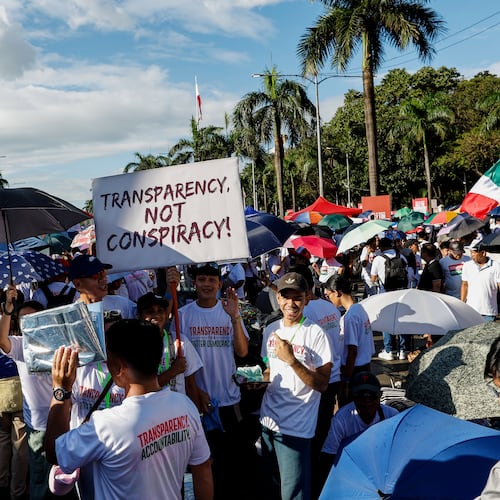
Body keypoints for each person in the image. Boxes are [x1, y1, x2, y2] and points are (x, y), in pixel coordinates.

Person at [44, 319, 213, 500]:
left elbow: (55, 452)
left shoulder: (106, 425)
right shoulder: (185, 406)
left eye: (108, 358)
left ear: (119, 367)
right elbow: (202, 469)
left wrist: (61, 391)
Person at [175, 262, 250, 499]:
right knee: (202, 466)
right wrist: (195, 392)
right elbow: (180, 362)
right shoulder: (182, 316)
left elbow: (242, 352)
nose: (206, 284)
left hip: (228, 402)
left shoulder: (229, 310)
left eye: (211, 280)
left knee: (230, 465)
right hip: (196, 405)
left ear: (219, 284)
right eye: (201, 279)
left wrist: (235, 317)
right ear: (194, 283)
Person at [260, 272, 332, 500]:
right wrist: (257, 382)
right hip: (268, 422)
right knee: (272, 486)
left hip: (297, 426)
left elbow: (322, 384)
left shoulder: (316, 333)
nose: (291, 303)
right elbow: (268, 370)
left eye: (297, 297)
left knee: (293, 494)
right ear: (278, 299)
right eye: (286, 297)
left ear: (307, 298)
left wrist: (292, 360)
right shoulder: (271, 330)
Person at [0, 290, 60, 500]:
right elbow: (2, 341)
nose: (28, 323)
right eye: (23, 319)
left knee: (61, 480)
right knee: (39, 479)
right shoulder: (18, 345)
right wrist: (7, 310)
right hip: (37, 427)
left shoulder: (57, 344)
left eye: (32, 318)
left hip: (63, 422)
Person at [319, 372, 398, 489]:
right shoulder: (341, 419)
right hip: (351, 471)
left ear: (380, 396)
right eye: (360, 396)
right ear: (353, 397)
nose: (367, 401)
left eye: (372, 395)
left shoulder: (392, 415)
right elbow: (328, 456)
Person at [323, 274, 374, 406]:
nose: (328, 299)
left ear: (337, 292)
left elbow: (352, 351)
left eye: (328, 295)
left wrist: (345, 380)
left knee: (349, 409)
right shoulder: (360, 309)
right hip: (365, 366)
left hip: (354, 371)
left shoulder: (350, 317)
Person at [371, 237, 410, 360]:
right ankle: (403, 350)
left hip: (385, 294)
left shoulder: (378, 259)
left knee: (386, 321)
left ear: (381, 247)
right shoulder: (401, 257)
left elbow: (373, 278)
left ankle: (389, 351)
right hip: (401, 294)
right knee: (403, 321)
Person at [69, 254, 136, 319]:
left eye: (104, 273)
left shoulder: (123, 304)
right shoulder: (71, 316)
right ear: (77, 283)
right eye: (96, 275)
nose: (104, 279)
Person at [461, 242, 500, 321]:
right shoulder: (467, 266)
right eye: (471, 252)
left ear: (483, 253)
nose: (472, 255)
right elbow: (465, 285)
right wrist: (462, 304)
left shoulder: (496, 266)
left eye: (474, 253)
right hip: (471, 311)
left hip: (489, 312)